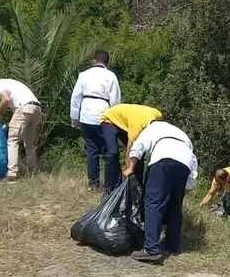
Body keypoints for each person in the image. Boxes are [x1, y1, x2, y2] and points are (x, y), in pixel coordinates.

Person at [122, 120, 198, 263]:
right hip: (185, 164)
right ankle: (172, 245)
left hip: (163, 159)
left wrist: (131, 167)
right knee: (175, 207)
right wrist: (186, 188)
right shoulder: (182, 134)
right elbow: (193, 163)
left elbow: (139, 145)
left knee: (153, 203)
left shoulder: (153, 127)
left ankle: (151, 249)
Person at [70, 50, 122, 190]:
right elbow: (115, 99)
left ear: (94, 61)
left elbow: (76, 97)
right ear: (107, 63)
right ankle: (109, 184)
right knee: (108, 150)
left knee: (91, 149)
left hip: (86, 114)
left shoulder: (83, 75)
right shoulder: (111, 76)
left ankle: (93, 183)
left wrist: (74, 117)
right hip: (104, 113)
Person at [0, 78, 43, 182]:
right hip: (36, 109)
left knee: (12, 140)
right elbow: (18, 113)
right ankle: (33, 171)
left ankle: (12, 174)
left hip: (24, 107)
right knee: (29, 143)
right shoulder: (9, 84)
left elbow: (5, 99)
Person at [99, 103, 162, 186]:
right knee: (113, 152)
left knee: (139, 154)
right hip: (110, 119)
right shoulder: (137, 126)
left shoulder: (158, 115)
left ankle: (137, 185)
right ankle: (110, 187)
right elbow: (131, 150)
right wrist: (128, 169)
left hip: (126, 121)